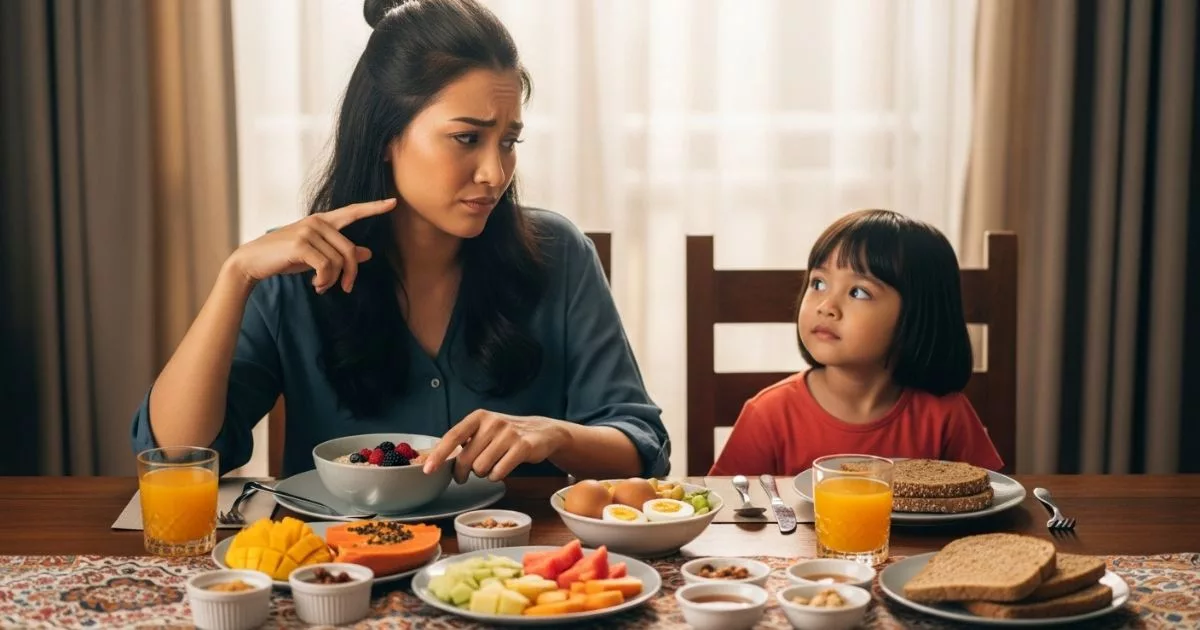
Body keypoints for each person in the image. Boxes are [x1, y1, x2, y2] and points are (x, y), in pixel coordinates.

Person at [131, 0, 669, 483]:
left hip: (517, 577)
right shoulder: (295, 270)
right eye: (467, 138)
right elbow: (177, 456)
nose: (494, 172)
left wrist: (555, 435)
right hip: (339, 576)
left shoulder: (558, 253)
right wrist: (237, 274)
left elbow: (642, 446)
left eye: (508, 142)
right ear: (387, 137)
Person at [709, 209, 1003, 475]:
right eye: (819, 283)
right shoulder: (769, 414)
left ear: (918, 315)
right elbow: (726, 512)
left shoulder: (946, 415)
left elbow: (992, 500)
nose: (826, 306)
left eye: (858, 292)